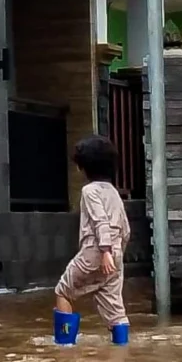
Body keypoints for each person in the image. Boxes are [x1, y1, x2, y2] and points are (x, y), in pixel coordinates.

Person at [53, 134, 133, 345]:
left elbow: (100, 221)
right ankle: (122, 350)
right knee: (116, 310)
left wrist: (104, 251)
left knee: (63, 290)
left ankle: (65, 345)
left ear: (83, 167)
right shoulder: (114, 193)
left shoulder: (89, 191)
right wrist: (116, 254)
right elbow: (125, 229)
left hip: (95, 252)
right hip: (114, 257)